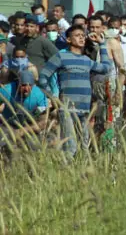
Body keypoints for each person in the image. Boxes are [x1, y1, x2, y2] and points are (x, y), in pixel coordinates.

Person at [38, 26, 112, 157]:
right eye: (77, 35)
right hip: (67, 109)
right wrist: (51, 96)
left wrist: (102, 44)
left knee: (84, 147)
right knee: (70, 148)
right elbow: (43, 76)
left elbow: (106, 68)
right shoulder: (61, 56)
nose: (82, 37)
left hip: (84, 110)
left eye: (83, 35)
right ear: (68, 39)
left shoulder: (86, 60)